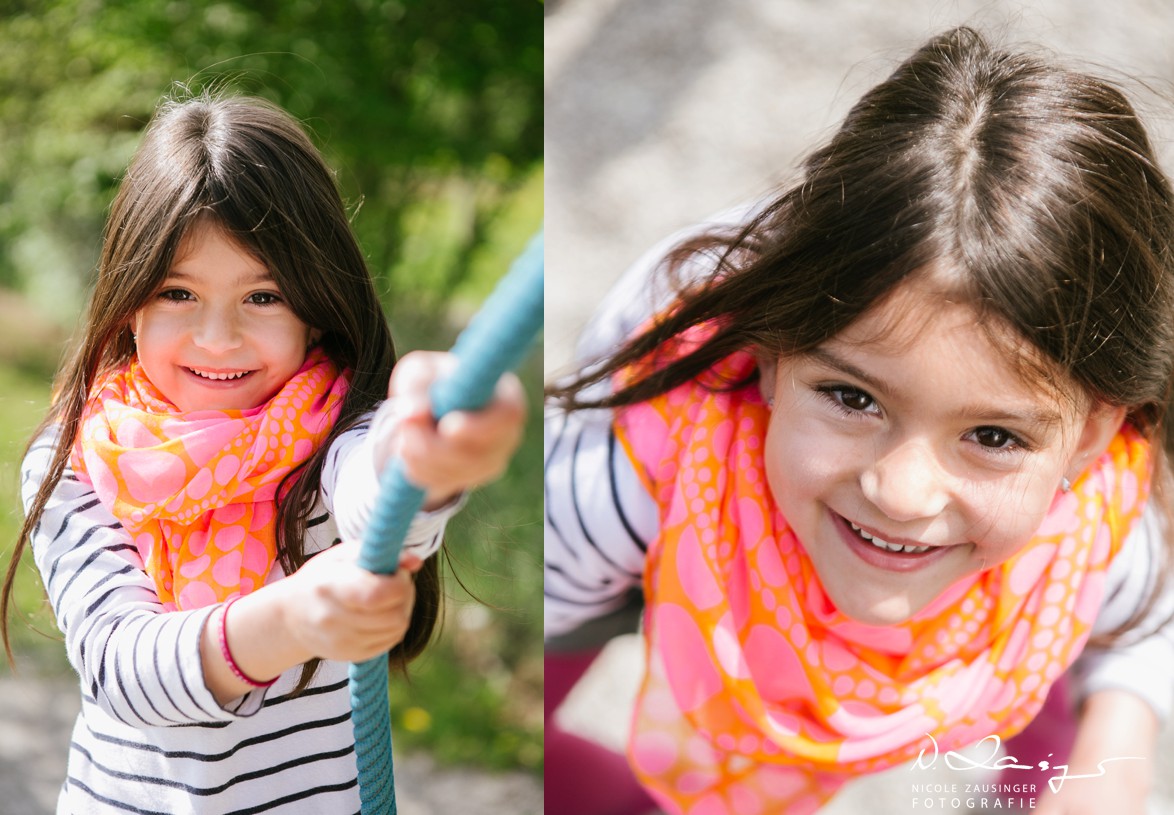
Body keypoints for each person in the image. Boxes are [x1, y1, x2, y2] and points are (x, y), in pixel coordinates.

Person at [545, 27, 1174, 815]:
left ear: (1089, 438)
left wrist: (1114, 750)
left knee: (1068, 731)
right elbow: (544, 639)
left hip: (1017, 594)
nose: (901, 492)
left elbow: (1143, 621)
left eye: (993, 435)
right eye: (852, 397)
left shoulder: (1099, 526)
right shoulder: (628, 471)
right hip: (689, 527)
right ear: (772, 360)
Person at [1, 93, 527, 814]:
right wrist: (291, 619)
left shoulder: (334, 438)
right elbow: (120, 664)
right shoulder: (76, 458)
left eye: (264, 296)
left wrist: (427, 454)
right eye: (178, 292)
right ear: (128, 302)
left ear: (316, 307)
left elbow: (384, 502)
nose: (218, 338)